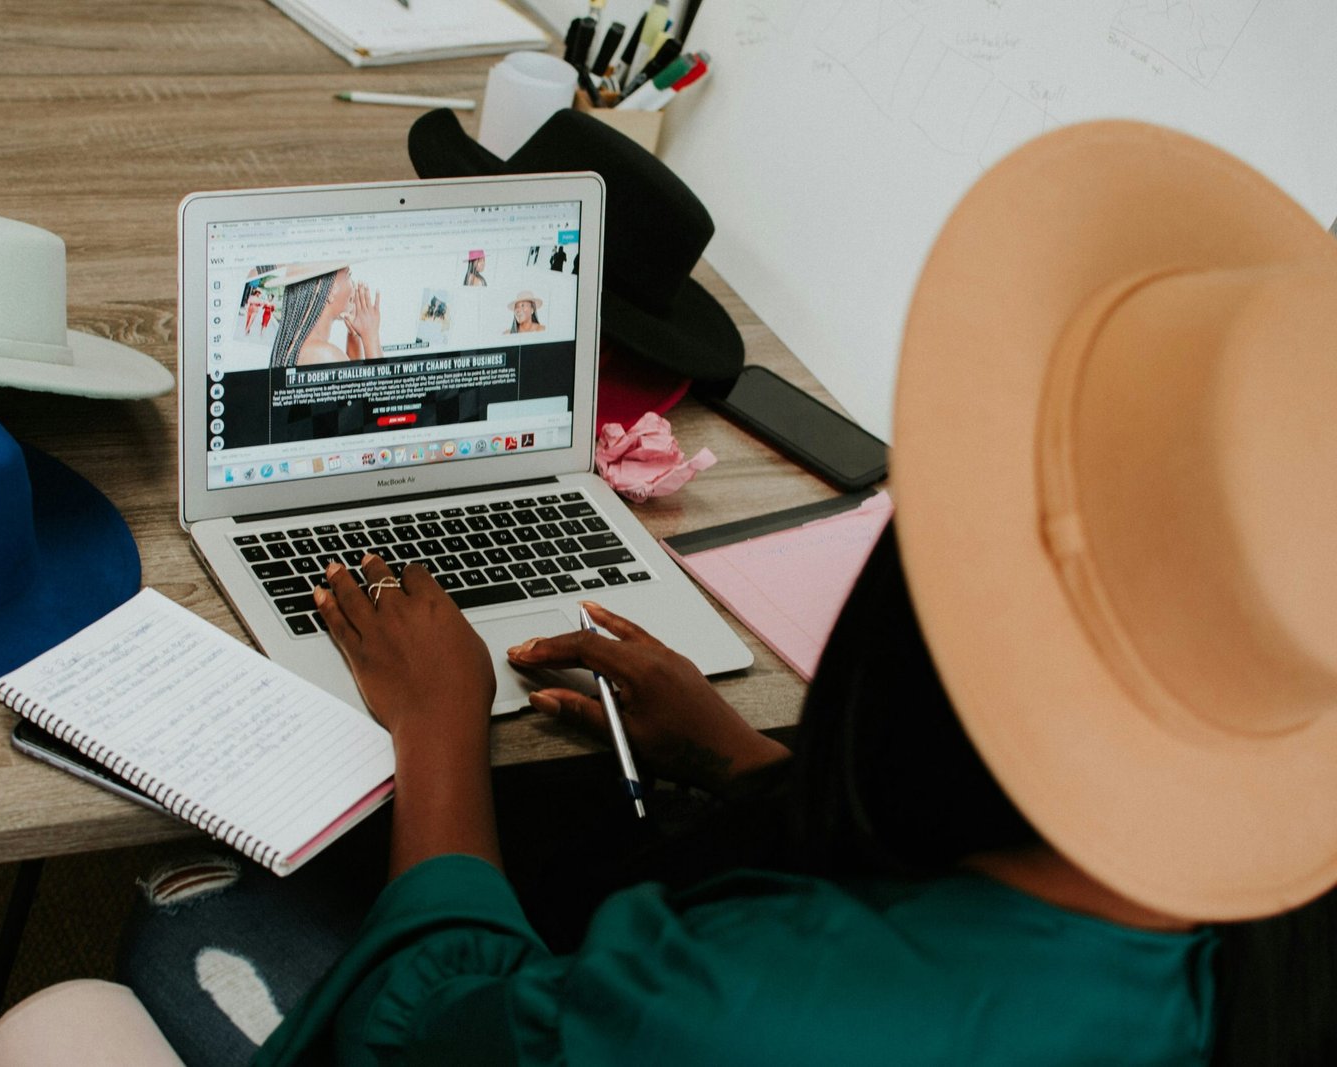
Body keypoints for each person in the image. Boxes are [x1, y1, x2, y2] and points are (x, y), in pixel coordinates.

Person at [118, 122, 1337, 1065]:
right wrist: (745, 757)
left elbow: (425, 1025)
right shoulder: (1256, 934)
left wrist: (440, 728)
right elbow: (995, 898)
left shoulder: (739, 1006)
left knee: (123, 969)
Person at [267, 264, 381, 367]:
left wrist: (354, 336)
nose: (354, 284)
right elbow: (382, 388)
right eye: (348, 275)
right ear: (331, 291)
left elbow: (353, 383)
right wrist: (371, 336)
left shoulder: (297, 349)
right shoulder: (327, 357)